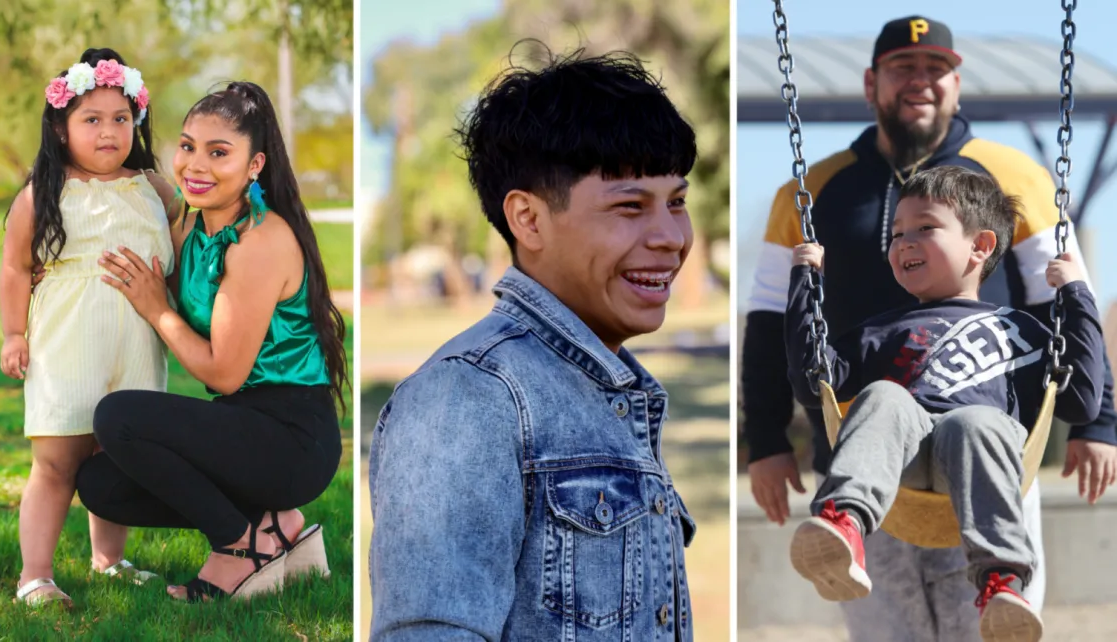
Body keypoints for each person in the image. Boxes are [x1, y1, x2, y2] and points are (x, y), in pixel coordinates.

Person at [740, 15, 1117, 641]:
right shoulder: (810, 192)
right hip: (868, 452)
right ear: (871, 84)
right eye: (903, 69)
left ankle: (1002, 578)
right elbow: (770, 320)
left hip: (992, 449)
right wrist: (765, 438)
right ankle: (843, 526)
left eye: (936, 70)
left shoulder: (1016, 179)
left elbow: (1064, 309)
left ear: (956, 85)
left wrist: (1099, 421)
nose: (921, 82)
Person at [368, 47, 698, 641]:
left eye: (677, 202)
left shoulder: (614, 392)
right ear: (529, 219)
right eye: (630, 206)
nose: (671, 237)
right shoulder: (467, 398)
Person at [787, 166, 1103, 642]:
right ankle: (843, 525)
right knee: (883, 397)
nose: (903, 243)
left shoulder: (1024, 331)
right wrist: (803, 285)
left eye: (924, 228)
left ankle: (1003, 582)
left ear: (981, 246)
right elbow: (814, 384)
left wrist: (1077, 295)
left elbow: (1081, 402)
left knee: (974, 422)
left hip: (983, 459)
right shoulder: (881, 329)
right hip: (905, 464)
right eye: (896, 233)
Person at [73, 81, 348, 603]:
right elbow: (127, 182)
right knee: (101, 485)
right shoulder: (189, 225)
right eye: (187, 146)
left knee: (117, 418)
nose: (195, 165)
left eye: (218, 152)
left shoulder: (260, 242)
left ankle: (238, 547)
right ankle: (270, 525)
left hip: (291, 438)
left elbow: (223, 374)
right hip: (243, 425)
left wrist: (158, 310)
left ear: (255, 165)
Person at [1, 48, 174, 609]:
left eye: (120, 119)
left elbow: (186, 235)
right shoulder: (44, 192)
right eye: (91, 120)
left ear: (137, 123)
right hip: (68, 346)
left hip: (135, 346)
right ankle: (36, 576)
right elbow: (15, 266)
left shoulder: (153, 188)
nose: (108, 132)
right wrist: (13, 334)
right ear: (60, 126)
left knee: (116, 458)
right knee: (56, 464)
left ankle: (108, 560)